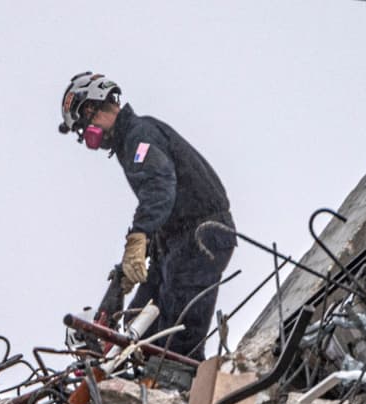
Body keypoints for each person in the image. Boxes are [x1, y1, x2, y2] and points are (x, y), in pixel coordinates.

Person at [58, 71, 236, 361]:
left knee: (175, 336)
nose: (89, 138)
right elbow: (165, 201)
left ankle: (182, 386)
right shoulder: (131, 141)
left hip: (201, 236)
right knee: (140, 322)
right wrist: (127, 271)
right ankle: (148, 376)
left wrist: (138, 237)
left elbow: (160, 186)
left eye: (84, 128)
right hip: (175, 241)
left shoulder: (139, 136)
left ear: (91, 109)